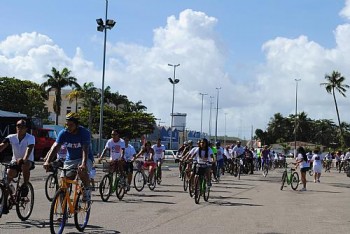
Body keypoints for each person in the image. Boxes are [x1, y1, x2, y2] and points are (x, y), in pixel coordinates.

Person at [43, 113, 94, 202]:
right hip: (70, 160)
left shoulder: (84, 133)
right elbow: (56, 147)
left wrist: (83, 164)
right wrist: (48, 161)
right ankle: (64, 212)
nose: (68, 127)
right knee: (63, 184)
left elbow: (85, 149)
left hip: (85, 158)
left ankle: (86, 189)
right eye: (67, 124)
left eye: (71, 125)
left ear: (77, 125)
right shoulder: (63, 133)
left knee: (82, 171)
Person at [0, 119, 35, 214]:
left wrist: (24, 159)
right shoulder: (11, 137)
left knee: (24, 165)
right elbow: (3, 145)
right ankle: (4, 204)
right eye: (18, 126)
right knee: (7, 179)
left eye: (22, 127)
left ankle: (25, 185)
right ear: (16, 127)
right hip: (14, 161)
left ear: (26, 129)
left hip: (27, 161)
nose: (20, 128)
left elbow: (29, 148)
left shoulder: (30, 137)